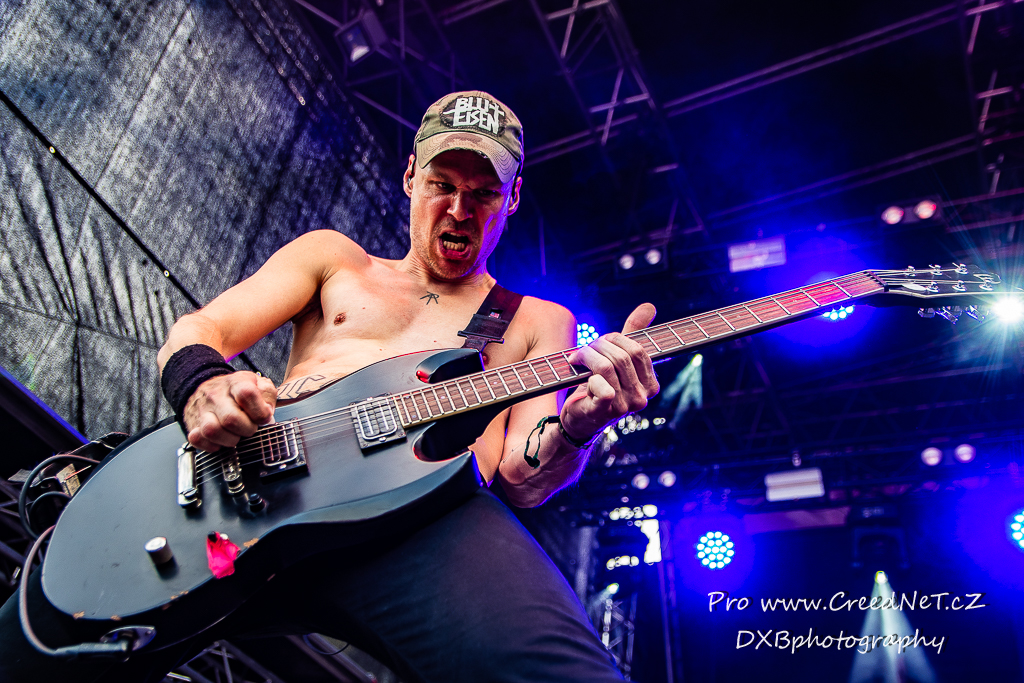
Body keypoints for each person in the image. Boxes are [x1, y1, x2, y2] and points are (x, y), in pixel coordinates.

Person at [0, 91, 659, 682]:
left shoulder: (535, 320)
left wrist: (579, 426)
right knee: (42, 638)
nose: (459, 210)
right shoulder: (335, 259)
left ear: (512, 200)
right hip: (258, 494)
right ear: (410, 176)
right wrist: (203, 384)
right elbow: (201, 329)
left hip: (423, 524)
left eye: (485, 193)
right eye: (442, 184)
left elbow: (522, 474)